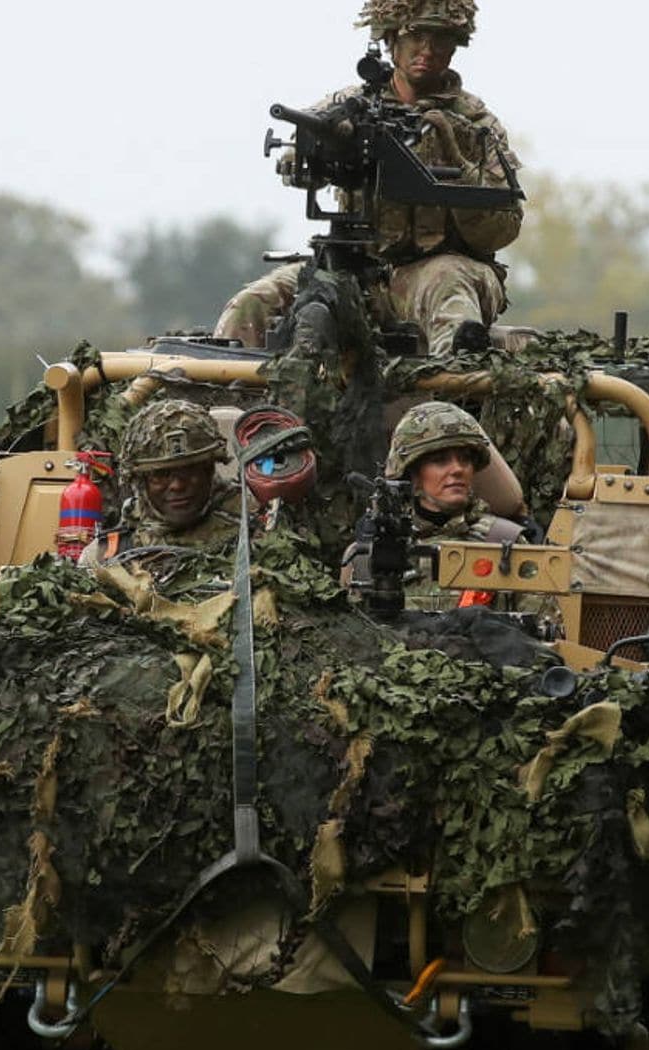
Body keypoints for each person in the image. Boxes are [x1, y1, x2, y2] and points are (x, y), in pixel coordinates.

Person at [213, 0, 521, 357]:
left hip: (442, 270)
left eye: (441, 39)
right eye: (416, 36)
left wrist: (457, 162)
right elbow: (301, 159)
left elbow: (503, 227)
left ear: (455, 46)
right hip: (355, 267)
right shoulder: (350, 106)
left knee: (448, 289)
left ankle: (450, 405)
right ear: (390, 39)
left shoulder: (477, 126)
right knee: (254, 303)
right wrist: (308, 157)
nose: (428, 50)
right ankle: (230, 403)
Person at [346, 401, 527, 609]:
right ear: (412, 473)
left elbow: (543, 634)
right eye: (440, 460)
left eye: (465, 459)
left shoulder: (504, 543)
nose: (458, 469)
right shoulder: (370, 553)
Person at [80, 398, 238, 569]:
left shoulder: (252, 535)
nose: (177, 485)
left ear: (209, 470)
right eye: (161, 475)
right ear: (141, 481)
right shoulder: (106, 554)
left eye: (189, 471)